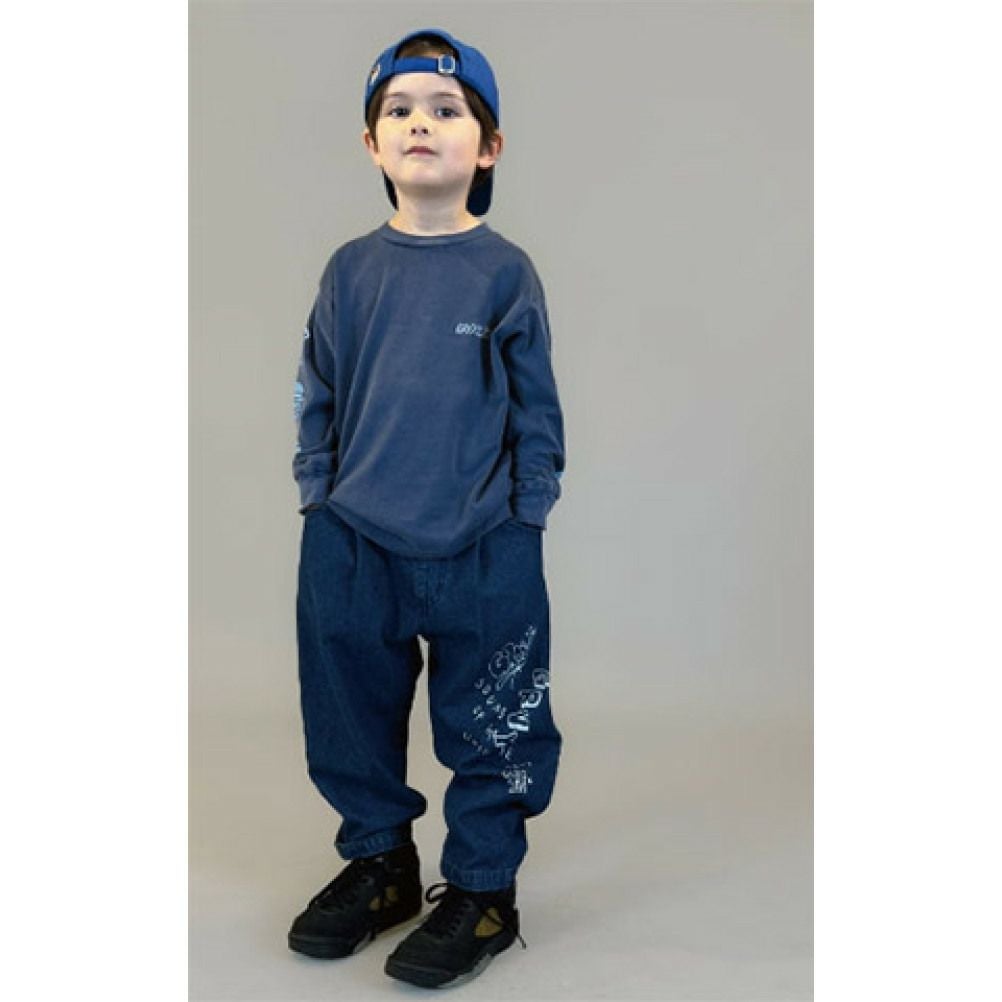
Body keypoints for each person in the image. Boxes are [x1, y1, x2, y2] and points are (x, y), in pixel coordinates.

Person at [287, 27, 566, 989]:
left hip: (483, 541)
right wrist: (318, 497)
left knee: (497, 721)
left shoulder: (504, 272)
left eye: (447, 110)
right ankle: (380, 864)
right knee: (347, 714)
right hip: (353, 538)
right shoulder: (349, 270)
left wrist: (527, 513)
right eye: (399, 110)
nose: (421, 123)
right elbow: (317, 387)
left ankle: (483, 888)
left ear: (487, 148)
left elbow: (536, 408)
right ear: (372, 143)